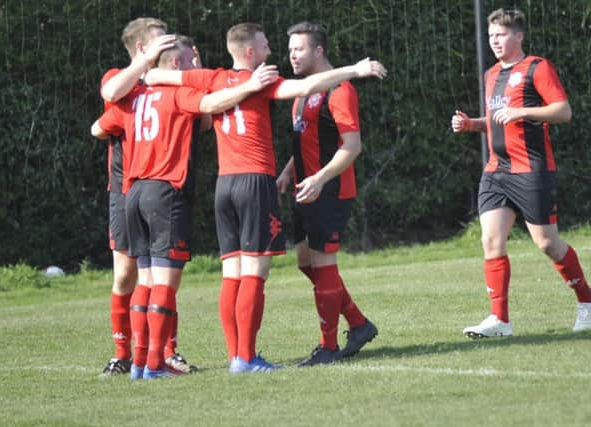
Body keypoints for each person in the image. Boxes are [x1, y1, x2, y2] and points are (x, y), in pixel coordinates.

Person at [143, 22, 386, 373]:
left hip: (225, 185)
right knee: (255, 274)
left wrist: (151, 62)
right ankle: (246, 357)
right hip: (255, 183)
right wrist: (355, 69)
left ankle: (236, 355)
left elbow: (154, 79)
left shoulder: (211, 78)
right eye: (267, 45)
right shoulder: (263, 81)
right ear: (251, 52)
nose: (275, 52)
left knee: (233, 275)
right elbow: (306, 85)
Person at [92, 35, 279, 379]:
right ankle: (154, 365)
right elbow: (211, 106)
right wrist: (251, 85)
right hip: (165, 192)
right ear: (176, 64)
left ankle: (137, 363)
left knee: (144, 281)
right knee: (165, 282)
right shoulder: (180, 95)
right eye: (187, 61)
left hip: (131, 192)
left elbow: (98, 127)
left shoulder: (132, 98)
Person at [451, 8, 591, 338]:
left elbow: (563, 111)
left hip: (531, 169)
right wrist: (472, 124)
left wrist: (522, 111)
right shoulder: (490, 75)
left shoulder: (537, 67)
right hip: (496, 170)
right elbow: (497, 121)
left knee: (547, 243)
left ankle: (587, 299)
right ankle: (499, 320)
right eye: (490, 36)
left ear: (518, 36)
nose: (494, 41)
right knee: (490, 239)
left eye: (501, 35)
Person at [97, 17, 199, 376]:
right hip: (126, 189)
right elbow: (104, 111)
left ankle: (165, 352)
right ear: (142, 49)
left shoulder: (164, 85)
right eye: (161, 39)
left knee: (161, 274)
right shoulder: (119, 79)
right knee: (128, 275)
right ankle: (123, 352)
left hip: (151, 186)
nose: (169, 43)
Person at [276, 22, 379, 366]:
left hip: (331, 190)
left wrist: (319, 178)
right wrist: (290, 170)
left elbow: (351, 147)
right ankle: (359, 324)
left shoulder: (340, 90)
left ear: (319, 51)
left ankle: (329, 346)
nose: (292, 54)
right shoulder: (306, 89)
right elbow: (309, 136)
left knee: (322, 262)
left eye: (299, 49)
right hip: (308, 188)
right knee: (307, 263)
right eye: (290, 49)